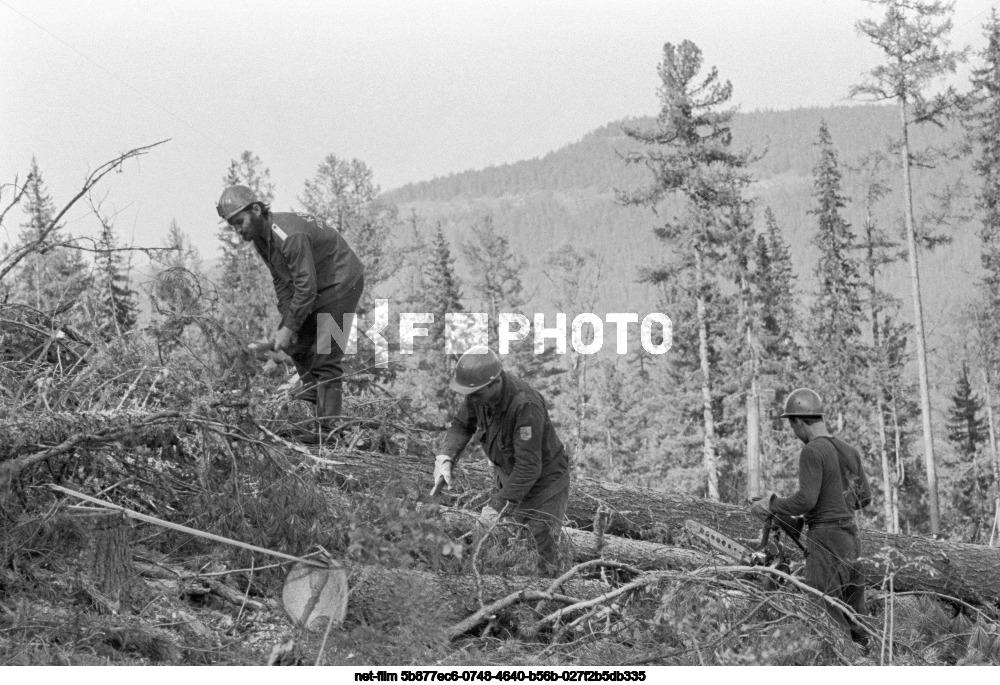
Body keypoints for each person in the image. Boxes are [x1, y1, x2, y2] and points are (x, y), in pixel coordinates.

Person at [216, 185, 365, 433]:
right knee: (300, 349)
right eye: (232, 225)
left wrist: (289, 327)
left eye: (239, 222)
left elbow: (306, 287)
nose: (238, 230)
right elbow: (283, 282)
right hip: (317, 287)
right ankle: (310, 415)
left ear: (256, 210)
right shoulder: (261, 240)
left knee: (326, 355)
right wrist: (287, 326)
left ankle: (327, 431)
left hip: (341, 285)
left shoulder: (288, 235)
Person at [431, 346, 571, 576]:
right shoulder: (479, 394)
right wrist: (445, 457)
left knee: (538, 540)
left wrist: (497, 506)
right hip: (510, 476)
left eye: (476, 393)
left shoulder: (525, 405)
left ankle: (551, 599)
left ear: (495, 383)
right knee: (507, 543)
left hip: (545, 484)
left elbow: (529, 467)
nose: (472, 399)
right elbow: (461, 425)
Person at [750, 387, 873, 647]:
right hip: (852, 540)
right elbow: (864, 499)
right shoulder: (849, 451)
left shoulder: (812, 452)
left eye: (792, 426)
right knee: (855, 619)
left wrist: (772, 504)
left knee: (825, 614)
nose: (794, 434)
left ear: (798, 421)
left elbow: (807, 500)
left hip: (827, 541)